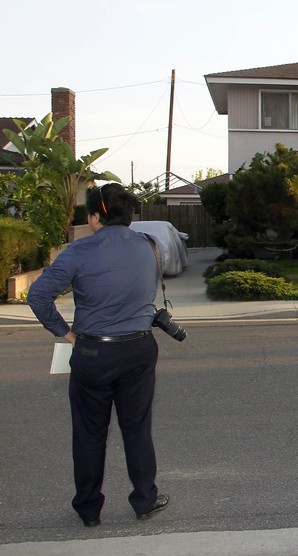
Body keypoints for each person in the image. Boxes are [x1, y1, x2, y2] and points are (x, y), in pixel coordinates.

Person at [28, 183, 170, 527]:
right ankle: (144, 500)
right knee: (137, 428)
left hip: (94, 350)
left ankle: (89, 509)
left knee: (90, 433)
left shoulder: (80, 251)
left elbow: (38, 296)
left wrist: (66, 334)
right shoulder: (149, 247)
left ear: (95, 217)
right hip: (138, 347)